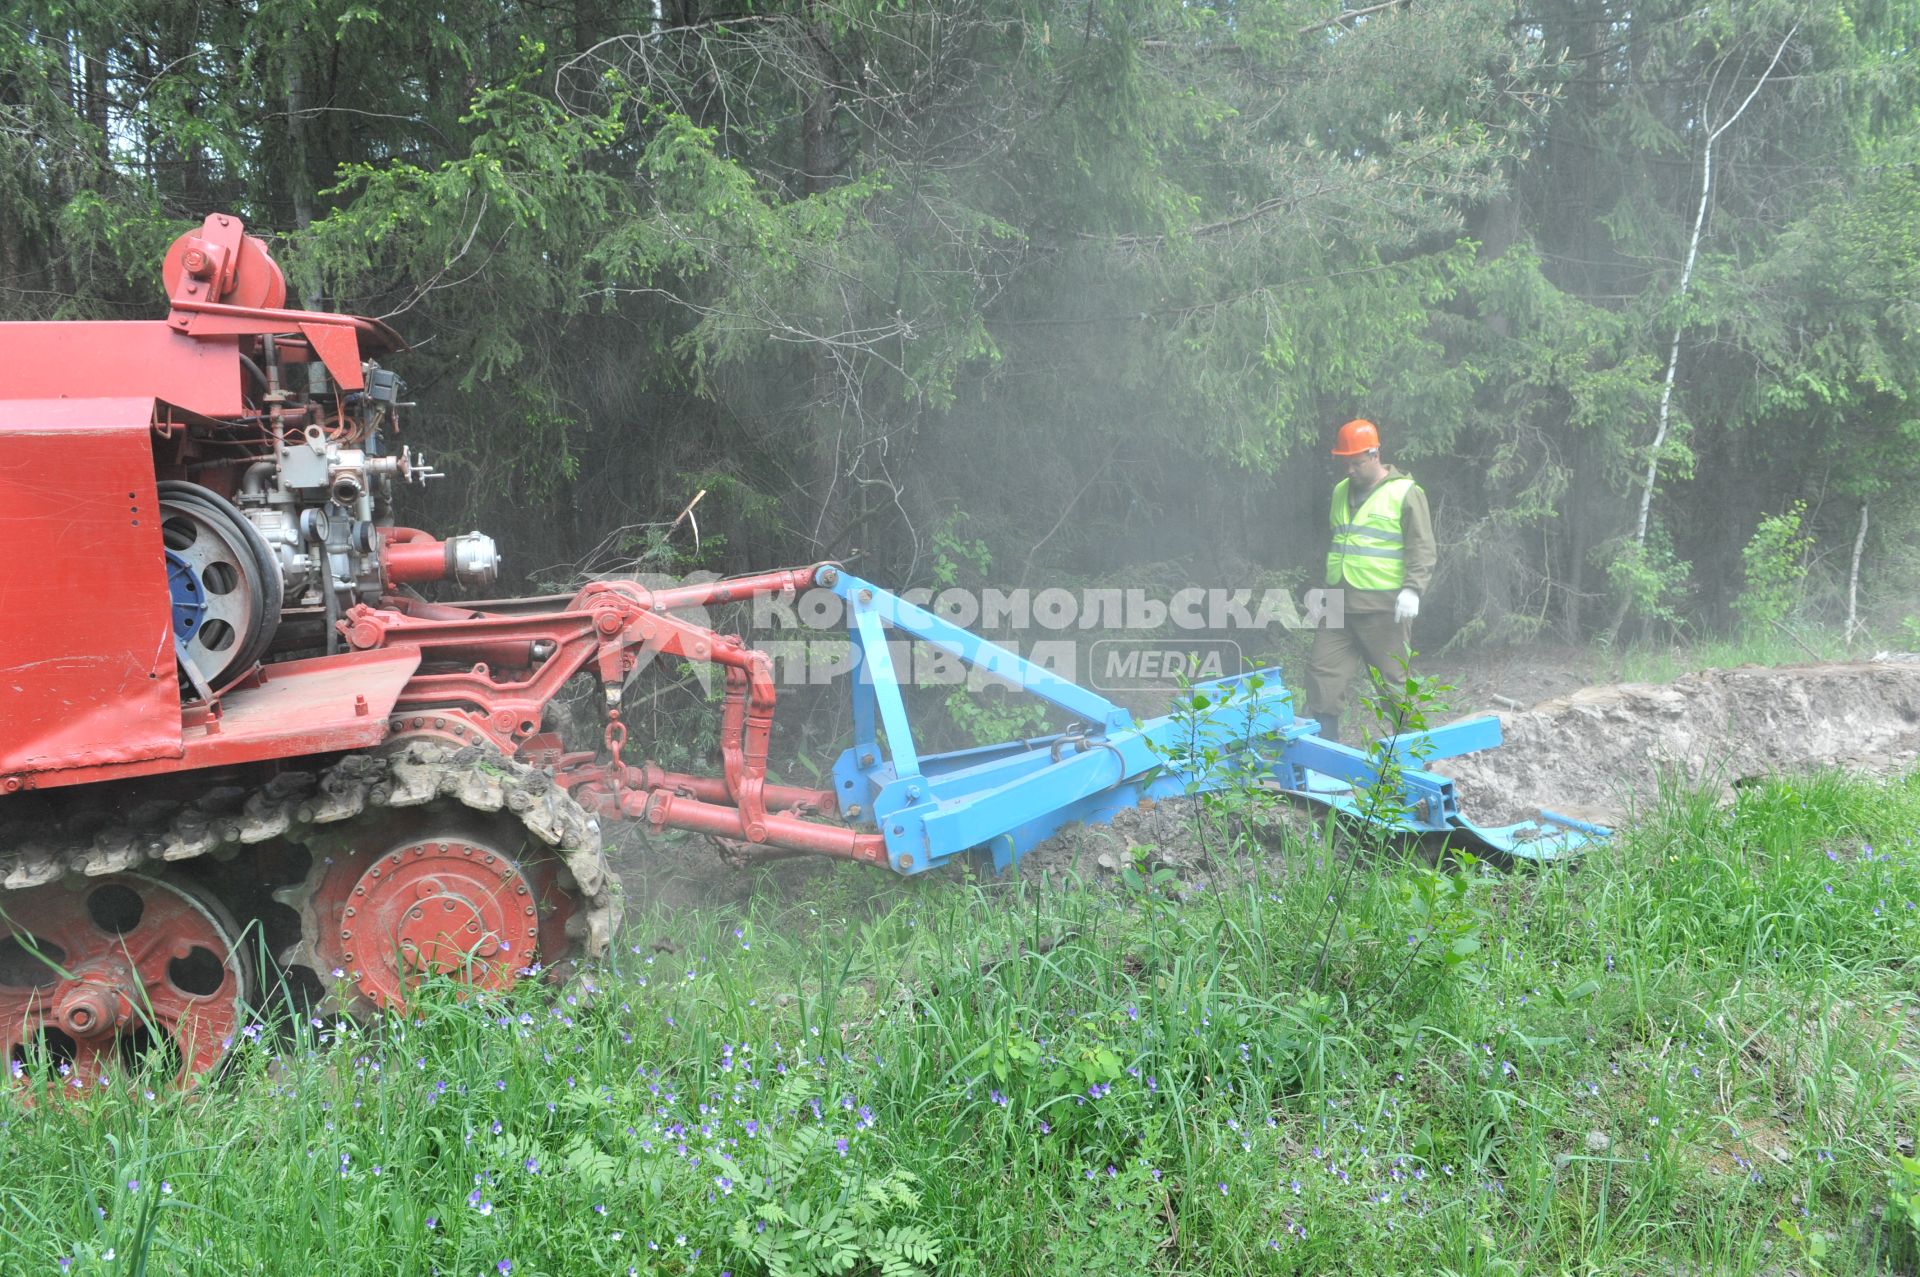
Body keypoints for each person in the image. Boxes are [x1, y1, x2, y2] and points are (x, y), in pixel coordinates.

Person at [1302, 418, 1435, 745]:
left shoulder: (1406, 493)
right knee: (1322, 675)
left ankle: (1415, 756)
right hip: (1339, 606)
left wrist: (1413, 588)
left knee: (1393, 685)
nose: (1349, 469)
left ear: (1375, 455)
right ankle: (1325, 757)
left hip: (1383, 607)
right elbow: (1339, 543)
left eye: (1356, 462)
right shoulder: (1339, 492)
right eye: (1344, 462)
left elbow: (1422, 545)